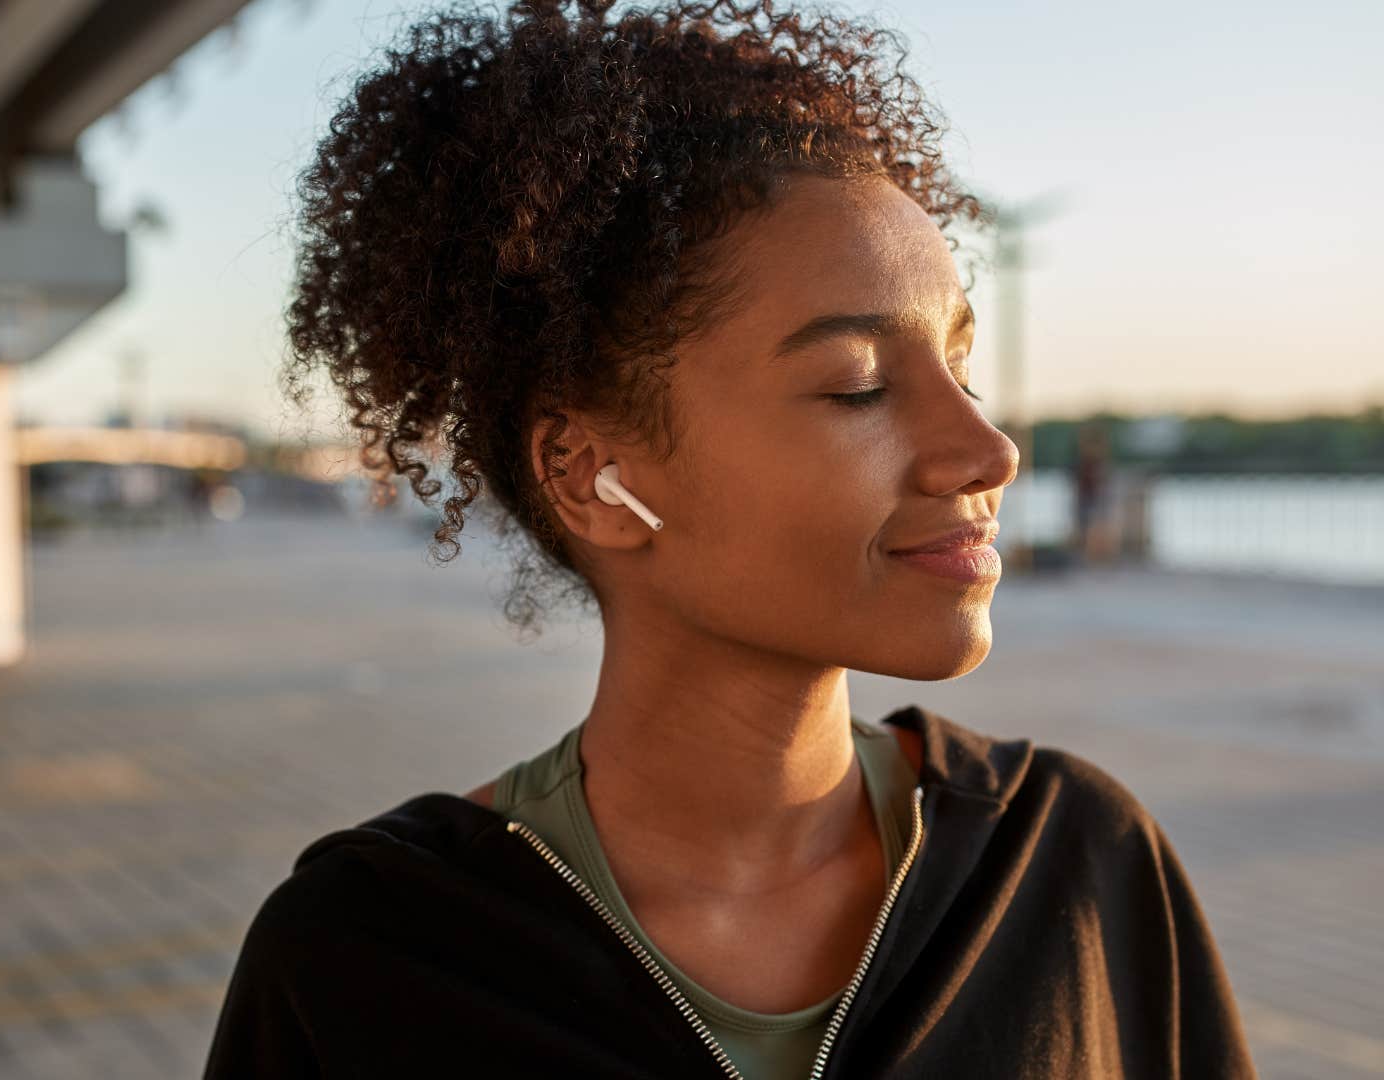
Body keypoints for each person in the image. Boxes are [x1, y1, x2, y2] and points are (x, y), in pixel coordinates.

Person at [205, 1, 1255, 1075]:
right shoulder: (373, 959)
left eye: (961, 367)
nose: (986, 449)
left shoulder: (1072, 863)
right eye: (858, 387)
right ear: (594, 479)